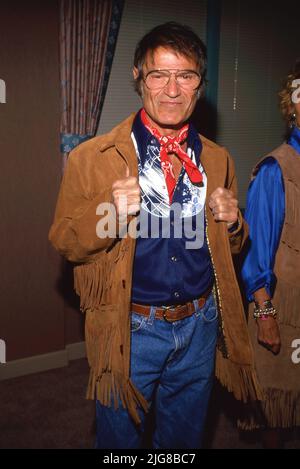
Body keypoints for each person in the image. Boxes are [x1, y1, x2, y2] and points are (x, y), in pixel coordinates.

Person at [49, 22, 260, 449]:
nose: (171, 90)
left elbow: (230, 248)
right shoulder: (93, 158)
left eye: (186, 76)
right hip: (131, 328)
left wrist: (235, 222)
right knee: (119, 443)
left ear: (200, 85)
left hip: (201, 326)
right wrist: (108, 210)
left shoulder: (218, 160)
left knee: (183, 441)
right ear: (138, 77)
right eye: (158, 75)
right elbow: (66, 241)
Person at [241, 61, 300, 448]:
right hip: (282, 305)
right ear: (292, 106)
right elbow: (255, 255)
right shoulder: (274, 170)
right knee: (278, 408)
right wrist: (265, 317)